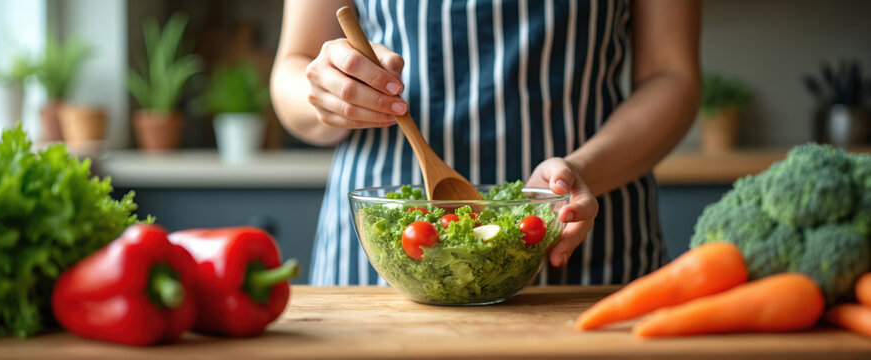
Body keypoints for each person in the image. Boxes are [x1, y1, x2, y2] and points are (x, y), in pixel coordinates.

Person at [271, 0, 701, 286]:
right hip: (384, 257)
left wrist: (582, 168)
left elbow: (673, 75)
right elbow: (293, 69)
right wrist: (332, 96)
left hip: (583, 232)